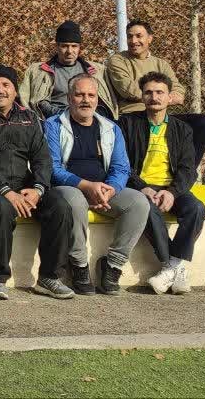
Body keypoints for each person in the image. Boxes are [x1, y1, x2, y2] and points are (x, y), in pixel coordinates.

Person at [0, 65, 74, 301]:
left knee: (60, 207)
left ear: (15, 91)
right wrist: (7, 191)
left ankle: (49, 277)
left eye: (6, 85)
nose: (0, 90)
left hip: (24, 184)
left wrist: (38, 189)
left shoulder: (30, 117)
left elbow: (42, 158)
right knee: (3, 208)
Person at [44, 75, 150, 296]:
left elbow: (121, 168)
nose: (86, 100)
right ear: (69, 98)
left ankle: (113, 265)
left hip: (103, 189)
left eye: (91, 95)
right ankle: (79, 265)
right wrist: (86, 186)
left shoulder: (111, 128)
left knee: (139, 203)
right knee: (74, 201)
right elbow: (52, 168)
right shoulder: (53, 125)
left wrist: (110, 189)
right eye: (79, 95)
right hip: (69, 187)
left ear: (97, 99)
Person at [118, 72, 205, 296]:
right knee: (146, 209)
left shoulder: (182, 129)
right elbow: (121, 163)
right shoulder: (128, 124)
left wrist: (172, 192)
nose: (154, 97)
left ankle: (170, 267)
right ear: (142, 97)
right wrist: (142, 187)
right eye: (148, 92)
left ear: (169, 97)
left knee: (196, 208)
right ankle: (174, 267)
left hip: (171, 187)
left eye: (160, 92)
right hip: (141, 187)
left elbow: (188, 169)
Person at [105, 19, 205, 161]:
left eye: (139, 36)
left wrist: (159, 100)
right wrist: (162, 98)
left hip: (161, 117)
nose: (133, 41)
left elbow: (178, 90)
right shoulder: (118, 60)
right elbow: (129, 90)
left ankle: (188, 170)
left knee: (203, 123)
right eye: (130, 36)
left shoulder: (161, 64)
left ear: (150, 38)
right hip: (133, 117)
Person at [19, 21, 118, 119]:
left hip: (89, 117)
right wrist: (63, 114)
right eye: (64, 46)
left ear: (79, 47)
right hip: (54, 118)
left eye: (74, 46)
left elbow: (107, 101)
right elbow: (27, 100)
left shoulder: (97, 70)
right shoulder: (38, 71)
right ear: (57, 46)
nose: (69, 51)